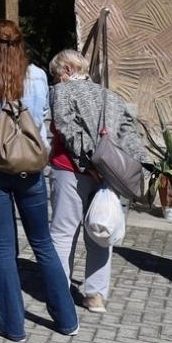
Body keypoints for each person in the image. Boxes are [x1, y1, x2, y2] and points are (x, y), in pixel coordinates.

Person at [0, 19, 77, 342]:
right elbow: (43, 117)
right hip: (31, 167)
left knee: (2, 249)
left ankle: (13, 326)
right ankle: (67, 319)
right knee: (42, 242)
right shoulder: (40, 76)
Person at [47, 48, 145, 314]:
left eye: (56, 75)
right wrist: (116, 168)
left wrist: (88, 164)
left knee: (63, 232)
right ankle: (95, 296)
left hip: (70, 170)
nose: (56, 80)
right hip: (107, 173)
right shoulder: (110, 95)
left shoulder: (61, 92)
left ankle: (60, 291)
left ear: (67, 70)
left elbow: (68, 131)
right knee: (101, 232)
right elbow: (129, 136)